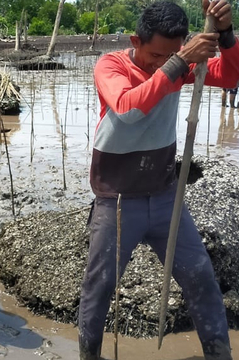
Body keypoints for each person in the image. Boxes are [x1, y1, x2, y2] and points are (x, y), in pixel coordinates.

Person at [79, 1, 239, 359]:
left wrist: (227, 36)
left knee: (201, 279)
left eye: (170, 54)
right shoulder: (112, 65)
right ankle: (88, 355)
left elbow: (232, 77)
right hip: (117, 201)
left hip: (166, 199)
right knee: (99, 287)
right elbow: (128, 108)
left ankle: (219, 353)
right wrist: (180, 61)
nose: (158, 63)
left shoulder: (177, 69)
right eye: (153, 55)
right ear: (136, 40)